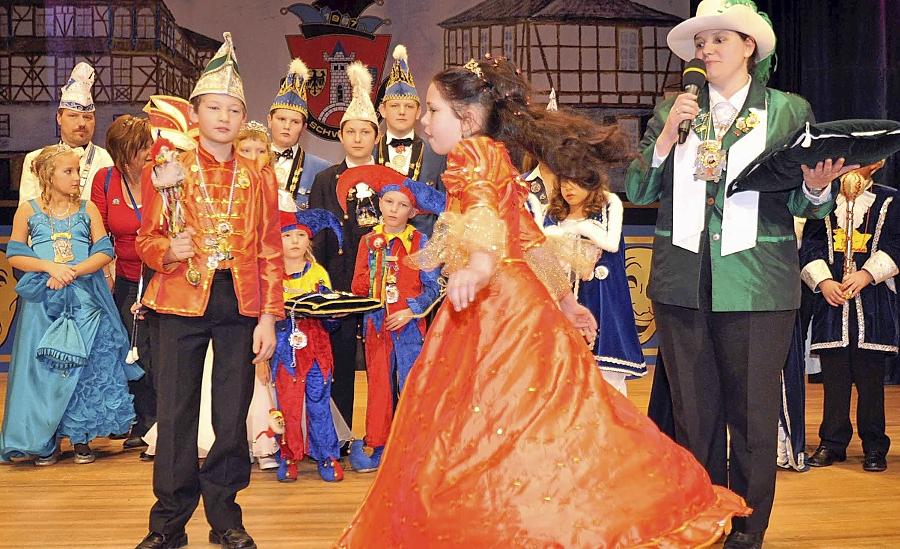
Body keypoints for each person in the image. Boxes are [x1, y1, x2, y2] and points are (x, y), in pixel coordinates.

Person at [335, 55, 750, 547]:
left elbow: (490, 220)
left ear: (466, 118)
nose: (425, 121)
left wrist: (481, 266)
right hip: (523, 302)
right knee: (530, 421)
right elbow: (528, 237)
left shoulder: (470, 155)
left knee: (484, 425)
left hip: (496, 310)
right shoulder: (499, 157)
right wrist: (565, 302)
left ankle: (507, 522)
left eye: (432, 110)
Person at [624, 2, 857, 546]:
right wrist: (664, 139)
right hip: (683, 284)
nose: (705, 51)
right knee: (694, 420)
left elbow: (809, 204)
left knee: (752, 422)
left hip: (757, 285)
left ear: (749, 46)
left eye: (718, 41)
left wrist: (820, 186)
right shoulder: (671, 111)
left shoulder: (786, 111)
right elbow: (637, 191)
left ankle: (747, 534)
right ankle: (704, 524)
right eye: (700, 44)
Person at [134, 33, 282, 549]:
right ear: (195, 113)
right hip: (179, 301)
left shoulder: (259, 175)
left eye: (234, 109)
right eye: (214, 107)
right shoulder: (169, 171)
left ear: (244, 119)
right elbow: (145, 242)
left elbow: (268, 249)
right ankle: (168, 524)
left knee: (231, 412)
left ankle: (226, 518)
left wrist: (268, 317)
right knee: (174, 413)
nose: (224, 117)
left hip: (238, 303)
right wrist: (170, 250)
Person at [0, 144, 139, 466]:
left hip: (84, 298)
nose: (77, 177)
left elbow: (105, 249)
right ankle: (45, 439)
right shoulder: (29, 210)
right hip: (44, 301)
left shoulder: (86, 209)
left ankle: (80, 436)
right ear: (49, 176)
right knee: (45, 370)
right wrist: (51, 268)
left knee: (84, 367)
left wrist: (75, 270)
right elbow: (16, 252)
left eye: (78, 171)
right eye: (69, 171)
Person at [800, 162, 898, 473]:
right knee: (834, 379)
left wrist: (868, 274)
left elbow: (896, 243)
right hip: (832, 305)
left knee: (871, 382)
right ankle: (832, 442)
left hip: (874, 303)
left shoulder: (890, 200)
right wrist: (823, 281)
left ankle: (874, 446)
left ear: (879, 163)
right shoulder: (824, 200)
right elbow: (810, 245)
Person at [345, 168, 442, 472]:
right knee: (378, 385)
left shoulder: (421, 241)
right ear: (379, 203)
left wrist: (410, 310)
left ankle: (414, 443)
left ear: (413, 211)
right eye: (389, 202)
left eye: (402, 205)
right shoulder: (368, 242)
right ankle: (377, 441)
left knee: (411, 383)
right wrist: (374, 277)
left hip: (410, 324)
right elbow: (357, 285)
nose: (394, 210)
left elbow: (433, 287)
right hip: (376, 323)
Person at [308, 61, 380, 434]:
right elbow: (318, 233)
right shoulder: (324, 178)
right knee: (336, 361)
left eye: (364, 132)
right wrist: (318, 281)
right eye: (350, 131)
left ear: (375, 137)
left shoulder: (389, 179)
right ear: (341, 135)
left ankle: (385, 434)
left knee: (383, 360)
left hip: (381, 282)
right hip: (336, 282)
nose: (357, 138)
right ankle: (340, 433)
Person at [543, 174, 647, 395]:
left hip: (599, 302)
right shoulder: (552, 216)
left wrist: (585, 237)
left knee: (606, 382)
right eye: (563, 182)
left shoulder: (607, 211)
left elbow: (610, 254)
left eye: (576, 181)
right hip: (561, 302)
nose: (568, 188)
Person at [90, 114, 156, 460]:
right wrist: (106, 272)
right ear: (119, 153)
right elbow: (99, 232)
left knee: (161, 349)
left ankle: (165, 420)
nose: (146, 152)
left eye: (147, 144)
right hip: (127, 277)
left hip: (163, 275)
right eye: (138, 148)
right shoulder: (104, 180)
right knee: (131, 349)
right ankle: (141, 423)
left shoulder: (162, 175)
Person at [270, 208, 348, 482]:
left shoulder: (318, 273)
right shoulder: (271, 274)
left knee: (319, 402)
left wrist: (334, 315)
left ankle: (326, 456)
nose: (294, 241)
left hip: (317, 348)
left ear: (309, 241)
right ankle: (289, 455)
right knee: (288, 405)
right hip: (284, 348)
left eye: (300, 235)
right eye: (287, 235)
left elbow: (328, 318)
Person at [372, 44, 446, 236]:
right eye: (395, 105)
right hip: (377, 249)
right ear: (382, 110)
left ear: (419, 112)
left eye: (409, 106)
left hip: (423, 251)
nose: (402, 112)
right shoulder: (369, 153)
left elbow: (446, 212)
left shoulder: (436, 153)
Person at [19, 62, 113, 204]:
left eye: (87, 117)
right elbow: (26, 213)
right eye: (73, 116)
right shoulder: (36, 160)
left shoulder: (109, 161)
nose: (82, 123)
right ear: (59, 118)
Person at [268, 58, 330, 211]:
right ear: (269, 120)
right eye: (281, 119)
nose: (287, 126)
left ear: (304, 128)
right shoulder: (249, 160)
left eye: (295, 122)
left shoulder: (321, 169)